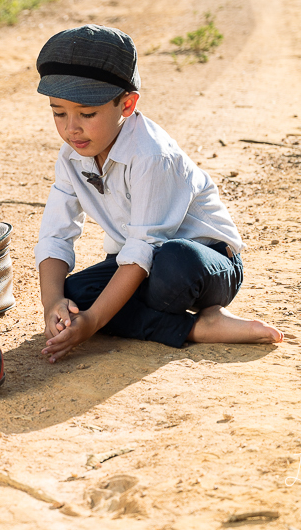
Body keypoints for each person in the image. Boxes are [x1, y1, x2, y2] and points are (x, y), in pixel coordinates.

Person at [35, 25, 282, 363]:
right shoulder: (71, 158)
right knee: (74, 293)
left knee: (171, 264)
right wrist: (53, 304)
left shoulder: (151, 154)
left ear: (126, 104)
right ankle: (197, 328)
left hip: (202, 265)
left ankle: (196, 316)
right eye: (58, 112)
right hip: (136, 264)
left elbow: (144, 248)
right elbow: (55, 235)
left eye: (87, 113)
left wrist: (91, 323)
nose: (71, 127)